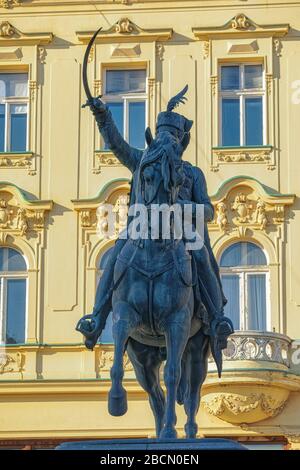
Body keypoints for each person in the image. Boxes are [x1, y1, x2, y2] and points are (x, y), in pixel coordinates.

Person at [76, 86, 232, 373]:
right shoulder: (142, 162)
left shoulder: (193, 173)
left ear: (179, 142)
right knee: (114, 254)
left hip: (184, 232)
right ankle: (96, 318)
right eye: (160, 136)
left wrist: (184, 210)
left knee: (202, 258)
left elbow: (208, 210)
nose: (163, 142)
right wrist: (103, 116)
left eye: (170, 137)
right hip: (142, 229)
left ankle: (218, 318)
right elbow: (116, 145)